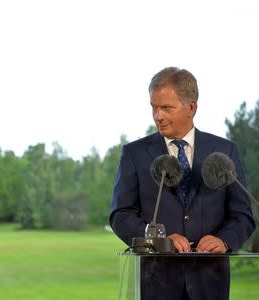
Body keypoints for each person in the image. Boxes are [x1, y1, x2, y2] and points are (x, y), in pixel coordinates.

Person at [109, 67, 255, 299]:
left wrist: (224, 240)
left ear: (191, 107)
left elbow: (242, 215)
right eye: (154, 107)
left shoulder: (225, 150)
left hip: (210, 284)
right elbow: (121, 215)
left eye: (166, 107)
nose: (158, 116)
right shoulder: (134, 153)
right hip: (157, 283)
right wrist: (157, 240)